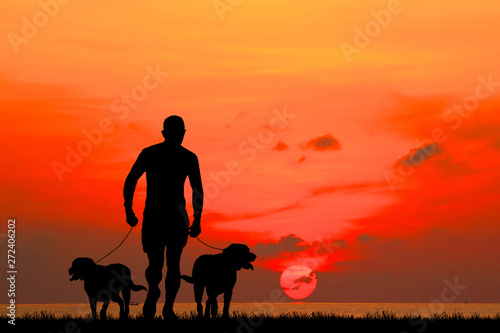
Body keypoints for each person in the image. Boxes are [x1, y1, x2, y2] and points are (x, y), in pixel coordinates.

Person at [123, 115, 203, 319]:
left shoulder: (175, 156)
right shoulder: (157, 154)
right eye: (177, 133)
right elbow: (131, 179)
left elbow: (197, 190)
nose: (179, 136)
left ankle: (166, 304)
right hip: (161, 216)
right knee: (162, 263)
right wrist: (128, 209)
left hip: (164, 216)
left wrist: (197, 219)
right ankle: (158, 296)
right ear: (166, 134)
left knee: (166, 263)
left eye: (180, 133)